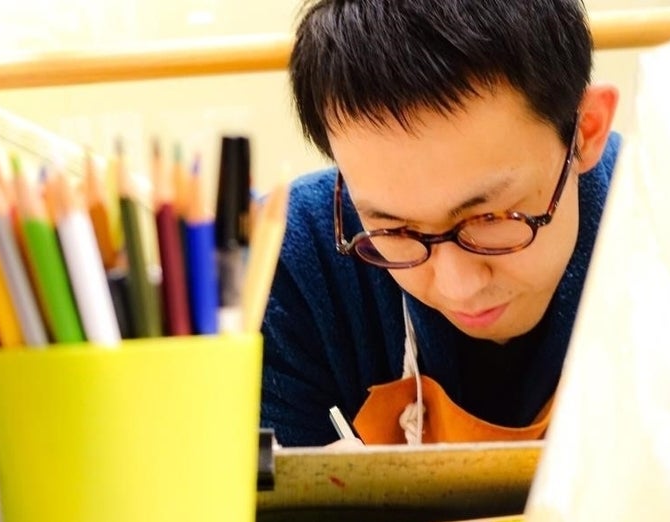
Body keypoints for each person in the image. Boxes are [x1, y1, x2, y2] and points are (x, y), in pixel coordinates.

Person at [260, 0, 621, 447]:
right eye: (395, 231)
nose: (458, 287)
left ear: (586, 131)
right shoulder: (289, 264)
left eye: (490, 218)